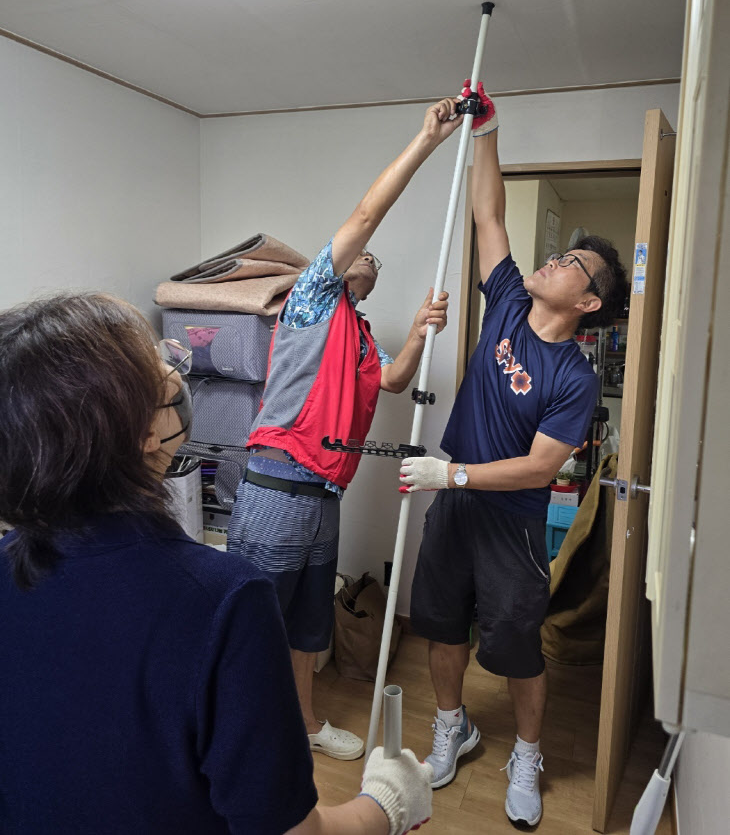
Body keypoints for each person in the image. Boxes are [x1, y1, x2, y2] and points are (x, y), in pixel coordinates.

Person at [0, 292, 433, 835]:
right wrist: (389, 801)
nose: (175, 370)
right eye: (157, 364)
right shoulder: (225, 600)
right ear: (145, 432)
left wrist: (417, 330)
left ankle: (306, 721)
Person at [399, 83, 629, 827]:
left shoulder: (576, 375)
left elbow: (538, 467)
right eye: (559, 252)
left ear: (588, 302)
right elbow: (488, 212)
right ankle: (452, 724)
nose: (554, 260)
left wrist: (451, 471)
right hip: (455, 505)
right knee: (440, 625)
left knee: (518, 645)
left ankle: (527, 752)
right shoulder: (504, 299)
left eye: (571, 264)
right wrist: (488, 130)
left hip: (511, 521)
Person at [226, 100, 460, 761]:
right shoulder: (308, 300)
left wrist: (418, 329)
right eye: (361, 256)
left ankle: (301, 725)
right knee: (251, 627)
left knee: (306, 629)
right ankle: (238, 741)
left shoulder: (358, 334)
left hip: (325, 497)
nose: (367, 260)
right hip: (275, 491)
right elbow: (364, 218)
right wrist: (425, 140)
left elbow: (392, 380)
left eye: (373, 266)